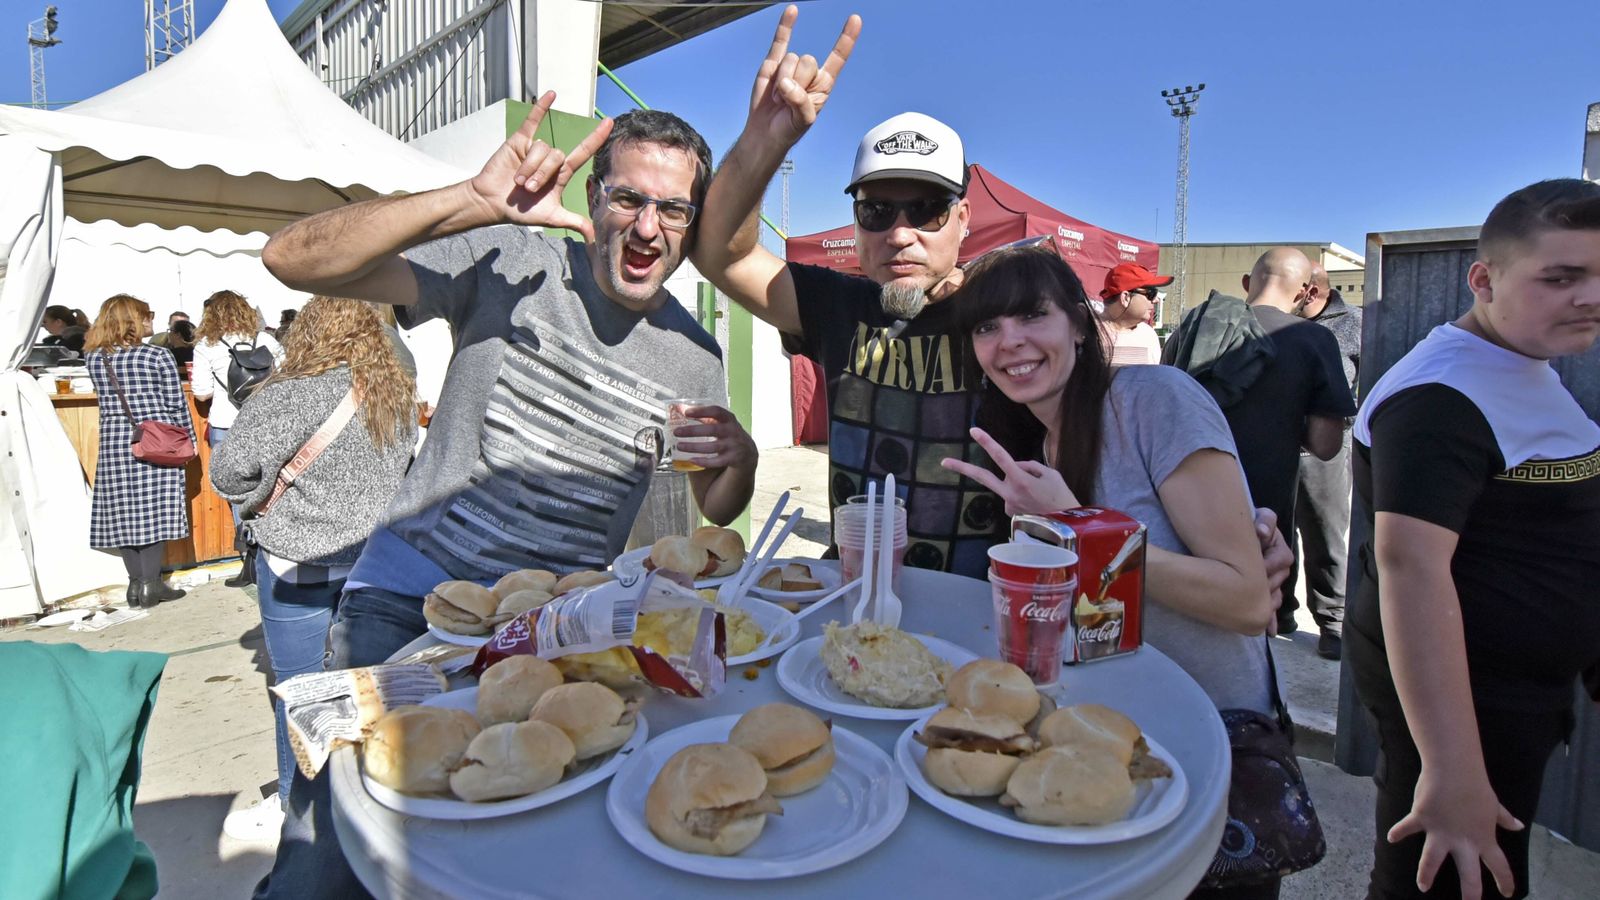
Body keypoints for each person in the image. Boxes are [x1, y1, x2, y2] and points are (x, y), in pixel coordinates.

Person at [250, 96, 758, 898]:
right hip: (405, 607)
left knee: (515, 857)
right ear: (593, 199)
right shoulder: (509, 259)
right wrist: (467, 202)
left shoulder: (694, 359)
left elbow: (717, 509)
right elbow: (291, 259)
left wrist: (743, 459)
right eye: (628, 198)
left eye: (673, 208)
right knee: (329, 856)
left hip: (558, 635)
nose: (649, 227)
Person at [695, 6, 1293, 591]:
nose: (900, 233)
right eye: (876, 210)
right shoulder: (835, 306)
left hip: (993, 606)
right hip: (858, 589)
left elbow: (1117, 449)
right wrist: (766, 139)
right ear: (855, 223)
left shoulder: (1009, 325)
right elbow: (722, 252)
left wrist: (1238, 541)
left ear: (962, 218)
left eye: (926, 210)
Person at [939, 245, 1285, 899]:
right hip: (1106, 741)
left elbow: (1245, 600)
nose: (1008, 342)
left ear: (1078, 321)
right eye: (987, 327)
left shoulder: (1152, 399)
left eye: (1030, 316)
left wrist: (1078, 524)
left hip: (1208, 745)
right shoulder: (1036, 450)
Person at [1347, 178, 1600, 900]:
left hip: (1518, 701)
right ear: (1484, 280)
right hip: (1466, 708)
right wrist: (1453, 772)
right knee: (1451, 882)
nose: (1590, 296)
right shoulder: (1439, 398)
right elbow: (1410, 570)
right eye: (1562, 277)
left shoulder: (1520, 363)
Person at [210, 296, 418, 843]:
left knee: (302, 693)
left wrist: (265, 500)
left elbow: (228, 474)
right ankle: (371, 797)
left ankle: (295, 809)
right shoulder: (395, 390)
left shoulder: (285, 392)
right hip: (375, 561)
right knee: (365, 689)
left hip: (297, 561)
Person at [1165, 247, 1355, 634]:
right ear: (1305, 292)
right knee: (1260, 629)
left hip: (1184, 500)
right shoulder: (1315, 339)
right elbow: (1325, 444)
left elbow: (1163, 399)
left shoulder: (1195, 323)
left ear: (1247, 284)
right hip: (1264, 521)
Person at [82, 295, 195, 608]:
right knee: (155, 513)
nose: (151, 322)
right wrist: (189, 442)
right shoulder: (156, 356)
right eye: (146, 316)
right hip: (156, 441)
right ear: (131, 321)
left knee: (125, 514)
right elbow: (176, 405)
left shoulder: (94, 358)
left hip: (115, 443)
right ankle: (151, 584)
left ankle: (136, 585)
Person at [1287, 264, 1363, 659]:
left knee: (1325, 536)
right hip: (1279, 447)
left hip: (1328, 453)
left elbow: (1369, 385)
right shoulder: (1282, 321)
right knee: (1278, 532)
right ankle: (1282, 613)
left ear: (1309, 292)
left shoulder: (1355, 324)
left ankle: (1332, 623)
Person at [192, 289, 283, 586]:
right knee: (272, 490)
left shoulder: (207, 345)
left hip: (227, 425)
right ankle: (273, 556)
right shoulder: (267, 340)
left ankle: (250, 563)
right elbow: (288, 378)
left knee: (237, 496)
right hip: (266, 424)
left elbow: (202, 392)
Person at [1097, 262, 1170, 365]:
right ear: (1125, 298)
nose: (1156, 300)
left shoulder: (1148, 335)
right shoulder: (1085, 333)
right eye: (1150, 294)